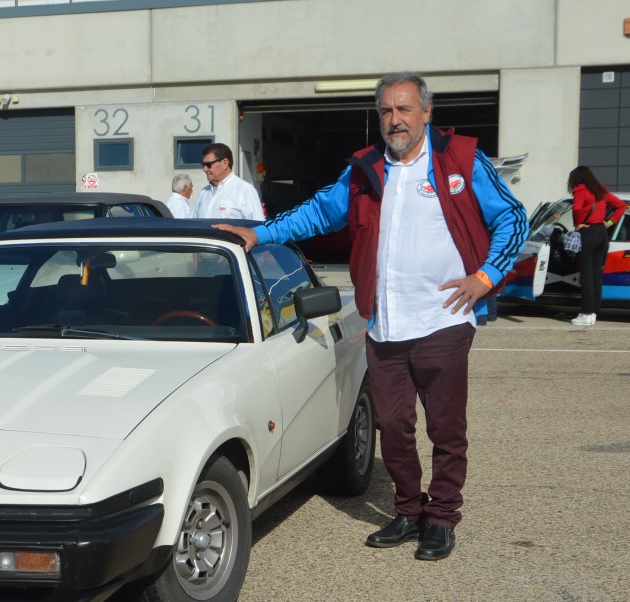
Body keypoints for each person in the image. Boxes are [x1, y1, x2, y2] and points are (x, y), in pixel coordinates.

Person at [215, 71, 527, 561]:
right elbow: (319, 213)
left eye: (404, 109)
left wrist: (485, 279)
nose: (394, 120)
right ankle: (407, 510)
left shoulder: (461, 160)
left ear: (426, 113)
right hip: (384, 325)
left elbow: (514, 217)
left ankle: (442, 517)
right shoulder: (365, 169)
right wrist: (260, 234)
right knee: (393, 426)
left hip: (443, 321)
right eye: (386, 111)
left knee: (445, 429)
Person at [566, 165, 627, 326]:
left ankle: (585, 312)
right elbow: (621, 206)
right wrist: (609, 223)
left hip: (588, 233)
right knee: (596, 275)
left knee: (586, 276)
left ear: (576, 178)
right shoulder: (601, 190)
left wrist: (578, 224)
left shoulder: (580, 190)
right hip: (602, 234)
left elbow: (577, 208)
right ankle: (593, 312)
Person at [191, 143, 265, 221]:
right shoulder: (204, 192)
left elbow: (258, 228)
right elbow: (193, 223)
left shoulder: (245, 190)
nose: (204, 169)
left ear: (225, 163)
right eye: (203, 165)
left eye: (208, 164)